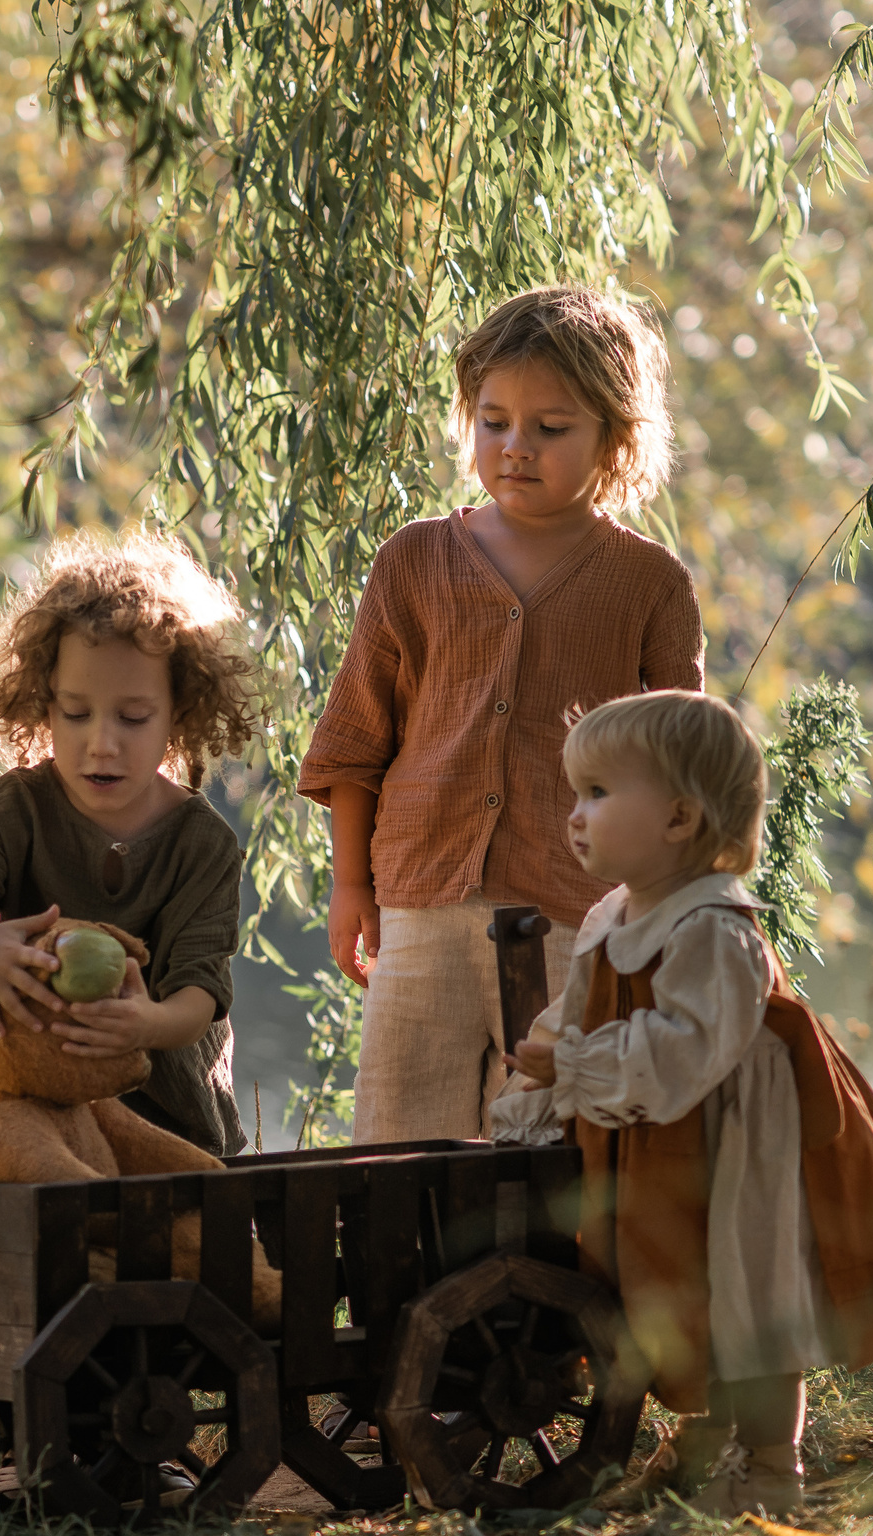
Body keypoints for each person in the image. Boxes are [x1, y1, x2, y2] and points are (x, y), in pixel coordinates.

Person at [489, 691, 873, 1516]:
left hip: (737, 1139)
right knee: (679, 1282)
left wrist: (573, 1062)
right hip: (661, 1131)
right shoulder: (614, 914)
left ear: (679, 817)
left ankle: (770, 1466)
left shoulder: (715, 926)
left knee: (747, 1287)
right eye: (577, 793)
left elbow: (687, 1048)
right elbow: (582, 1012)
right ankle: (704, 1443)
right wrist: (544, 1072)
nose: (575, 815)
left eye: (598, 793)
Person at [298, 284, 705, 1147]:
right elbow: (356, 743)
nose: (516, 446)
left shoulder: (650, 584)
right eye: (494, 422)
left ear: (615, 438)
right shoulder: (413, 561)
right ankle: (402, 1249)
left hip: (572, 916)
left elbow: (684, 771)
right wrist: (350, 884)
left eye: (550, 428)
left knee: (552, 1142)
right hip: (421, 909)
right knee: (400, 1139)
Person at [0, 528, 263, 1159]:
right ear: (44, 705)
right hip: (46, 1112)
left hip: (176, 1126)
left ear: (179, 712)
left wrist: (147, 1024)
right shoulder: (8, 812)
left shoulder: (203, 844)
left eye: (132, 718)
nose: (101, 744)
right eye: (76, 714)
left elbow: (199, 996)